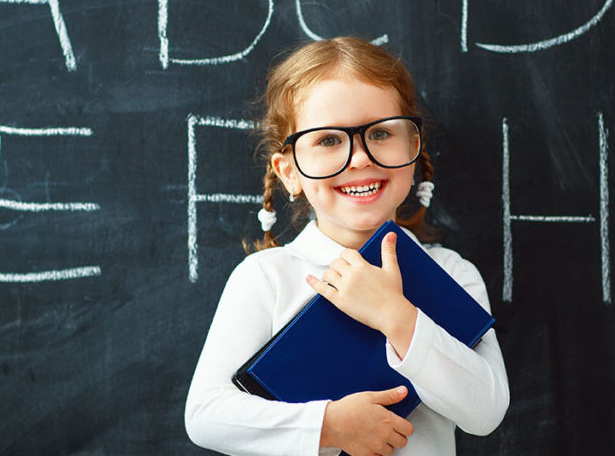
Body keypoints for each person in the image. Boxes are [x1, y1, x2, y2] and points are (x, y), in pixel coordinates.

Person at [184, 37, 509, 456]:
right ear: (289, 172)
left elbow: (486, 412)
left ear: (413, 148)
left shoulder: (452, 273)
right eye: (328, 140)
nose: (359, 159)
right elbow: (206, 415)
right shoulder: (266, 277)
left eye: (380, 133)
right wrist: (329, 425)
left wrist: (396, 316)